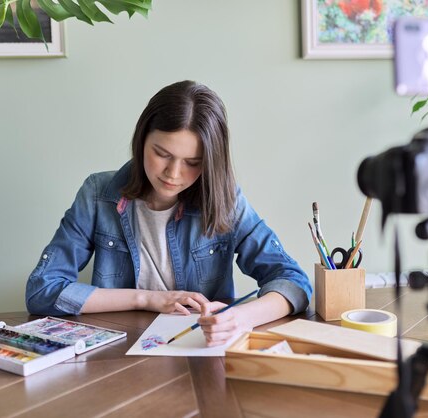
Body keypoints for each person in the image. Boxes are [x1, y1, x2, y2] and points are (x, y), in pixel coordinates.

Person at [26, 80, 312, 346]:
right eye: (162, 154)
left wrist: (242, 318)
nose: (173, 174)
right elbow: (42, 290)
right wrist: (147, 299)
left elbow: (294, 281)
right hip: (119, 356)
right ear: (141, 141)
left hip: (202, 352)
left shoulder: (225, 199)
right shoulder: (98, 194)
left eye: (192, 162)